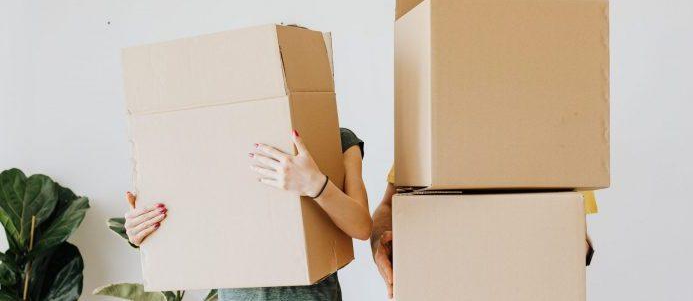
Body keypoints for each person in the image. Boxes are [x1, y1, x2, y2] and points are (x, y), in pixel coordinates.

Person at [124, 128, 371, 301]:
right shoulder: (207, 143)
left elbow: (362, 227)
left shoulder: (335, 137)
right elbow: (191, 222)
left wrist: (315, 184)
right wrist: (143, 229)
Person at [370, 167, 598, 299]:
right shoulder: (434, 123)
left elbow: (575, 229)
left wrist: (574, 248)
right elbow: (389, 206)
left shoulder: (559, 136)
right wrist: (379, 246)